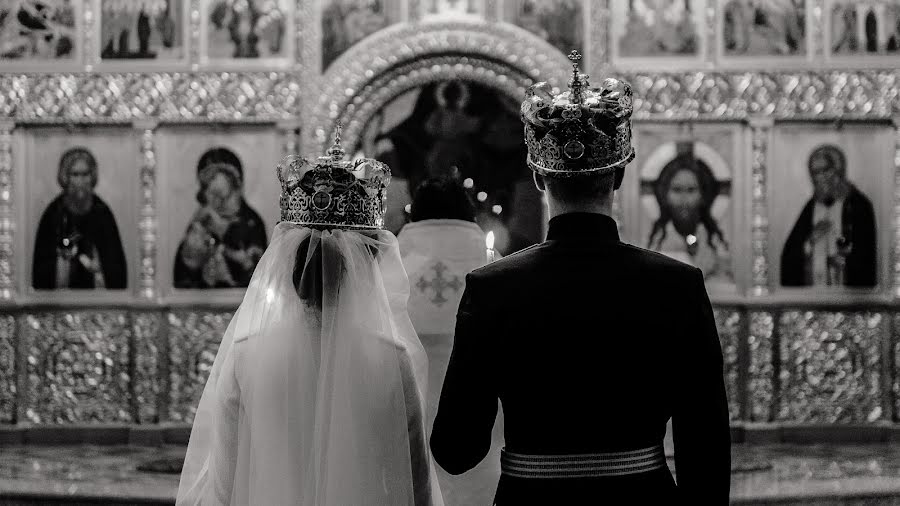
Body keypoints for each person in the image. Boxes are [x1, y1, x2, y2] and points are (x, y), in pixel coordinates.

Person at [430, 51, 731, 504]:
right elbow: (705, 443)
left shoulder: (492, 289)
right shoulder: (677, 285)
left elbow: (456, 449)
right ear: (620, 176)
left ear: (537, 177)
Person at [177, 129, 443, 505]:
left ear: (287, 268)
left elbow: (223, 482)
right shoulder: (391, 358)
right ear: (361, 269)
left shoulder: (246, 352)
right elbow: (417, 486)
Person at [781, 144, 877, 287]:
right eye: (815, 172)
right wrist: (810, 241)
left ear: (838, 170)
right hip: (815, 292)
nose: (821, 177)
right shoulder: (811, 207)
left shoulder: (858, 205)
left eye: (825, 170)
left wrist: (844, 261)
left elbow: (866, 254)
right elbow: (789, 257)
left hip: (849, 295)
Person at [33, 147, 127, 290]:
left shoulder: (102, 213)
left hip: (97, 299)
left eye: (85, 174)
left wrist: (100, 267)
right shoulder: (54, 213)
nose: (81, 181)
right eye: (75, 174)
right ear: (65, 177)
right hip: (60, 299)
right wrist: (62, 259)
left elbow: (115, 266)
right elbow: (43, 266)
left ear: (92, 176)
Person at [174, 148, 267, 289]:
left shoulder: (251, 223)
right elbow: (184, 274)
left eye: (225, 196)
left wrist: (227, 234)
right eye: (213, 195)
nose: (219, 204)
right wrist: (193, 256)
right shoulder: (202, 220)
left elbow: (257, 272)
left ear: (237, 189)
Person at [647, 141, 732, 282]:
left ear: (703, 195)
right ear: (664, 195)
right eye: (677, 190)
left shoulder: (715, 243)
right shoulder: (656, 242)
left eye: (691, 190)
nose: (684, 199)